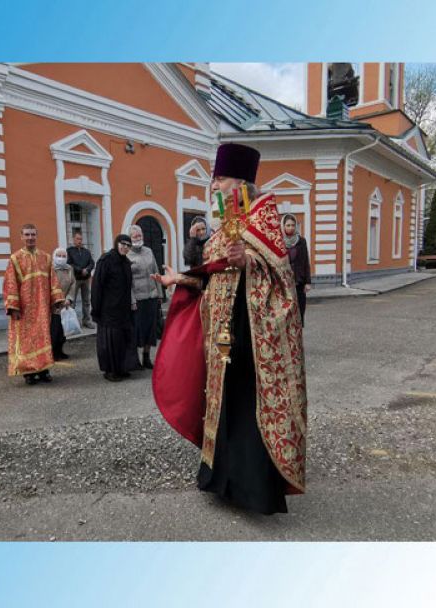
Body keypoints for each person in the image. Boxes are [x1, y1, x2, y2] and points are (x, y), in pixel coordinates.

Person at [152, 143, 307, 515]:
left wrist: (249, 260)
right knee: (220, 404)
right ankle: (221, 480)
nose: (214, 185)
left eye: (219, 178)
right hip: (221, 336)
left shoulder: (265, 215)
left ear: (240, 180)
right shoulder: (225, 226)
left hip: (251, 334)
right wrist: (181, 280)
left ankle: (252, 489)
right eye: (214, 179)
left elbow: (281, 278)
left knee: (245, 404)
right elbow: (214, 278)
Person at [3, 224, 66, 385]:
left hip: (43, 307)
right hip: (24, 309)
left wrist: (56, 301)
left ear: (36, 236)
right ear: (21, 236)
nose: (30, 237)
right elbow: (10, 284)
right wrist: (14, 307)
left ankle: (44, 370)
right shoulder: (15, 259)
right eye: (27, 234)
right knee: (27, 341)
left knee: (44, 338)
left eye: (32, 234)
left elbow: (53, 281)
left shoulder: (46, 257)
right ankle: (29, 373)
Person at [91, 234, 139, 382]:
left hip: (123, 309)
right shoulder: (106, 260)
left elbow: (128, 286)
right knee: (110, 342)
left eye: (128, 245)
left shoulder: (125, 262)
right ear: (116, 244)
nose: (125, 247)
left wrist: (131, 302)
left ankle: (121, 368)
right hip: (108, 310)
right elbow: (97, 286)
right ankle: (110, 371)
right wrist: (96, 308)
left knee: (122, 341)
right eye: (122, 244)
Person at [126, 225, 162, 369]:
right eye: (135, 236)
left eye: (139, 235)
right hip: (138, 298)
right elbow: (127, 281)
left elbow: (156, 271)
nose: (138, 238)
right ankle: (135, 360)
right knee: (137, 330)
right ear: (130, 238)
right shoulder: (127, 254)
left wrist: (159, 293)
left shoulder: (149, 251)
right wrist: (132, 299)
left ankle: (146, 358)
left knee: (150, 329)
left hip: (151, 296)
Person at [281, 214, 312, 325]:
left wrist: (308, 282)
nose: (291, 228)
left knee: (300, 311)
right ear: (283, 226)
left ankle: (298, 338)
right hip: (284, 283)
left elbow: (305, 262)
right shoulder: (279, 242)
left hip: (299, 281)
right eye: (288, 225)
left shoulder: (301, 241)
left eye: (293, 225)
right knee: (286, 313)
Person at [50, 247, 78, 360]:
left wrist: (69, 298)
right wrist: (57, 300)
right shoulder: (51, 269)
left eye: (63, 256)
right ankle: (53, 352)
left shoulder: (69, 268)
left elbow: (73, 284)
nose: (61, 258)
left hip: (66, 304)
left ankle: (60, 351)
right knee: (55, 330)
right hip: (54, 305)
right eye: (59, 256)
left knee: (63, 331)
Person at [66, 231, 95, 328]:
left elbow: (92, 262)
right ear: (73, 239)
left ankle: (86, 320)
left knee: (86, 301)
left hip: (86, 279)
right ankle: (73, 322)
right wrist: (79, 270)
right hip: (75, 279)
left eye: (81, 239)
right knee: (72, 301)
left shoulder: (86, 251)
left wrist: (87, 269)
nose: (80, 241)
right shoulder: (69, 251)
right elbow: (69, 263)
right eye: (78, 239)